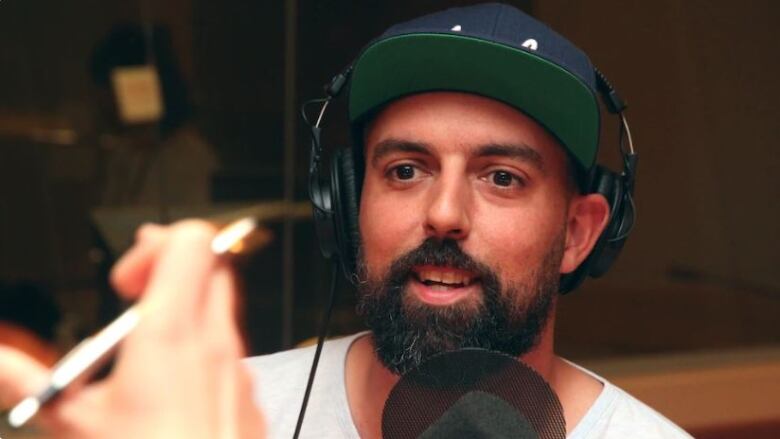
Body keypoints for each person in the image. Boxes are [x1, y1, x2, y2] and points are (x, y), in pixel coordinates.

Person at [0, 4, 692, 438]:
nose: (444, 213)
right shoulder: (219, 418)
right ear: (344, 201)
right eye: (405, 169)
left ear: (578, 232)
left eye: (501, 177)